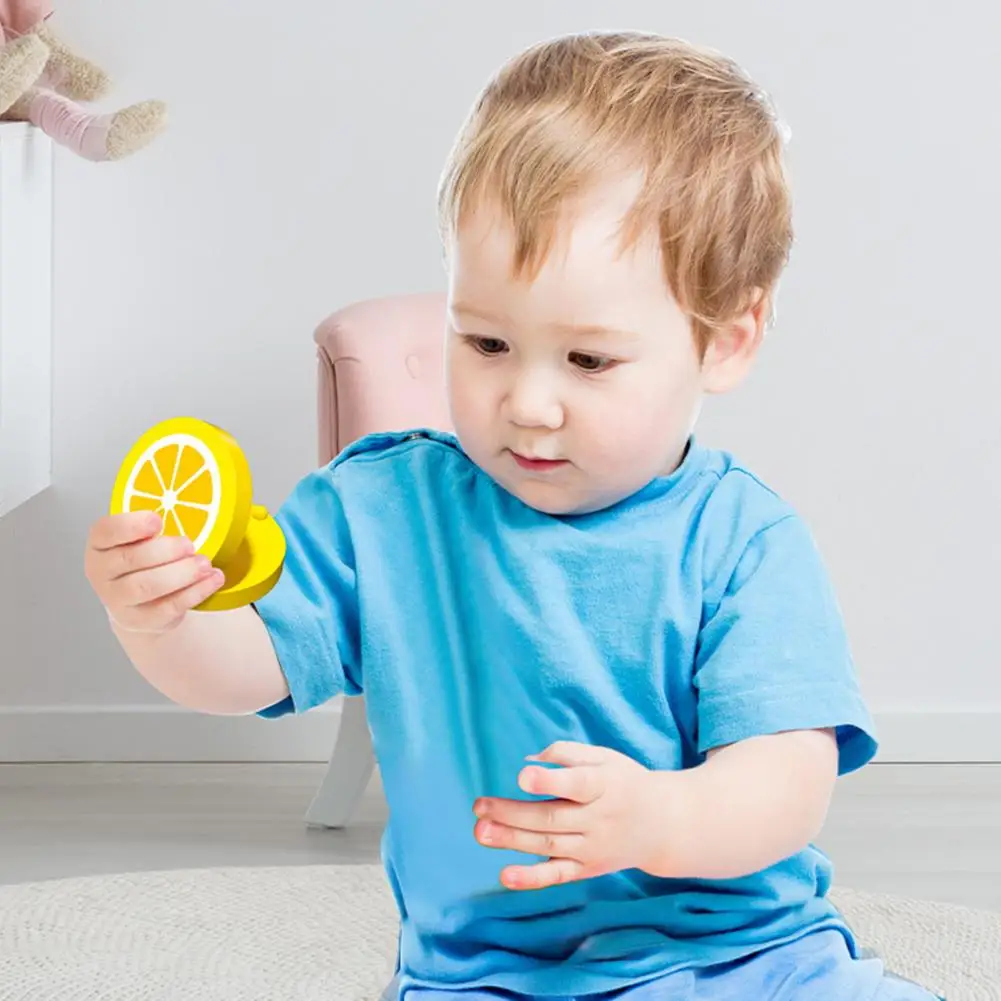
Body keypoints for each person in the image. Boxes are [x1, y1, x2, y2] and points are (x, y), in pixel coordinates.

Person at [83, 30, 943, 1001]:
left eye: (587, 360)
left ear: (724, 340)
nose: (527, 402)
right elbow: (246, 668)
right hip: (484, 975)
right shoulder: (381, 509)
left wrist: (655, 816)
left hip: (739, 956)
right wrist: (157, 614)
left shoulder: (739, 541)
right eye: (485, 340)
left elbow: (785, 780)